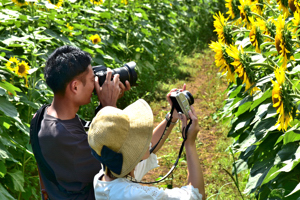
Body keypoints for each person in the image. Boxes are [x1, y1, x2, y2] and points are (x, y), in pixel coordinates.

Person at [33, 45, 130, 199]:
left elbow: (94, 138)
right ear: (75, 87)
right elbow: (118, 167)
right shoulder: (67, 137)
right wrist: (110, 109)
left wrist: (103, 107)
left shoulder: (40, 115)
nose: (95, 85)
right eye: (92, 80)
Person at [88, 94, 205, 199]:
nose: (145, 139)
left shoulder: (104, 178)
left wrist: (172, 117)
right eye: (138, 136)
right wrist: (189, 143)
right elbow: (197, 195)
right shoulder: (135, 195)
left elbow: (149, 147)